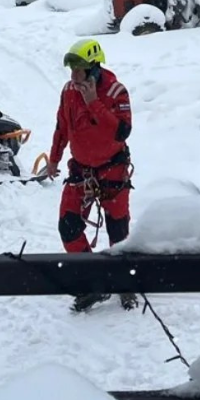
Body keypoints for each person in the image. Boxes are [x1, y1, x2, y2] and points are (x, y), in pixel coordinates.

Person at [47, 39, 135, 311]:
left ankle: (124, 283)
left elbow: (121, 131)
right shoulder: (68, 91)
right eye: (71, 70)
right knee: (68, 227)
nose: (73, 76)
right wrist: (54, 158)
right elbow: (63, 126)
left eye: (79, 70)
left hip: (112, 170)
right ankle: (94, 281)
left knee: (118, 231)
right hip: (81, 170)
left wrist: (94, 102)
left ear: (94, 68)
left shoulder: (116, 91)